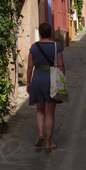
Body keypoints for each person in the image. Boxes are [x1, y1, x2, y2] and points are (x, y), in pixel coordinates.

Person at [26, 22, 65, 151]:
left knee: (40, 109)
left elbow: (30, 66)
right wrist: (62, 80)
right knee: (50, 113)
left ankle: (40, 134)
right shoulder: (56, 46)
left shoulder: (34, 47)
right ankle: (48, 144)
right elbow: (61, 65)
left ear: (40, 34)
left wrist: (28, 82)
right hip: (51, 80)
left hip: (37, 79)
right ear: (50, 32)